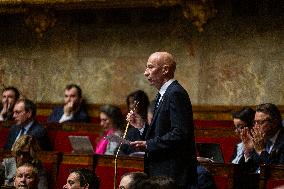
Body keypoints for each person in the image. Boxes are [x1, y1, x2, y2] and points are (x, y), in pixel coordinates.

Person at [127, 52, 197, 188]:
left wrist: (148, 144)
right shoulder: (163, 94)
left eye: (150, 67)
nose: (146, 73)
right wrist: (141, 126)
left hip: (172, 174)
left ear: (165, 70)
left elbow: (180, 133)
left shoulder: (175, 93)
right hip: (162, 171)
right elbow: (160, 133)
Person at [242, 103, 284, 172]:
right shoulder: (260, 139)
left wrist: (261, 151)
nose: (255, 126)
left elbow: (278, 172)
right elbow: (245, 171)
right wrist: (248, 151)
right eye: (255, 122)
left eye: (260, 122)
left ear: (274, 122)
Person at [120, 90, 150, 155]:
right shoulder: (129, 124)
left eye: (133, 102)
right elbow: (123, 147)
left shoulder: (150, 121)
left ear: (142, 103)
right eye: (129, 103)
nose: (131, 106)